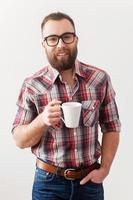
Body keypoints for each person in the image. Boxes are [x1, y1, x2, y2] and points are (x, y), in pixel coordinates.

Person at [12, 12, 121, 200]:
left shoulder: (99, 79)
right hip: (48, 184)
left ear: (76, 39)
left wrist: (104, 169)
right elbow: (19, 140)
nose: (61, 44)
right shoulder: (32, 85)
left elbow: (111, 126)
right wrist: (42, 120)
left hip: (89, 183)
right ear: (44, 44)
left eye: (66, 37)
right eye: (52, 39)